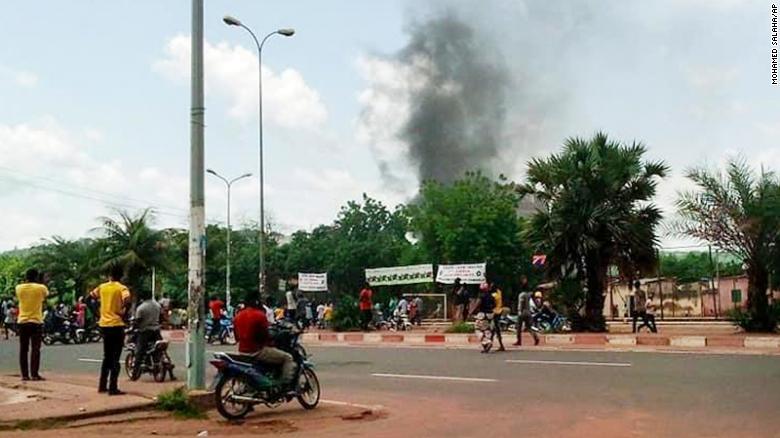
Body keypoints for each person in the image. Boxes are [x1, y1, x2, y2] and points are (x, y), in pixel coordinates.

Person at [234, 300, 295, 390]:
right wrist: (270, 343)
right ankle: (284, 385)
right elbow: (264, 334)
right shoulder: (259, 315)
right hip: (256, 351)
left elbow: (237, 337)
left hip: (242, 351)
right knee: (288, 357)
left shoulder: (238, 316)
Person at [90, 264, 131, 395]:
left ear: (109, 276)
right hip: (117, 325)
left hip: (104, 325)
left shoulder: (102, 287)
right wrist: (123, 313)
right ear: (121, 276)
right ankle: (113, 387)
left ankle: (102, 385)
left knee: (106, 356)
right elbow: (128, 300)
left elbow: (89, 298)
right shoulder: (122, 288)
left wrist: (97, 313)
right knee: (115, 357)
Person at [16, 269, 48, 381]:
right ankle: (34, 374)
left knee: (23, 349)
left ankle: (24, 375)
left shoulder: (18, 288)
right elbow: (45, 296)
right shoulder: (41, 288)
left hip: (22, 321)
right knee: (35, 349)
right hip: (36, 321)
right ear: (37, 277)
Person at [132, 289, 163, 379]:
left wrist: (134, 328)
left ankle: (135, 373)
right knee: (159, 349)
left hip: (145, 332)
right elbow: (161, 317)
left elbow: (138, 321)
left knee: (140, 351)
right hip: (156, 331)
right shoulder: (157, 305)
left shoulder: (141, 308)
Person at [514, 277, 539, 346]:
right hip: (528, 312)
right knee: (529, 327)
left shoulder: (521, 295)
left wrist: (519, 311)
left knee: (518, 328)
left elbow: (521, 303)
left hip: (522, 312)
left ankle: (519, 341)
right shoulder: (528, 295)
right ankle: (535, 337)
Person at [490, 282, 506, 352]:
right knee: (494, 329)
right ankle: (492, 343)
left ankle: (497, 344)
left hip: (495, 312)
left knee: (495, 329)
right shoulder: (499, 292)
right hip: (500, 311)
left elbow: (492, 304)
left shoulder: (493, 295)